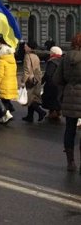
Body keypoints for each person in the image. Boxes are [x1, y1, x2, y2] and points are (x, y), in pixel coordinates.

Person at [53, 32, 81, 173]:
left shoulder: (65, 58)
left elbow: (57, 79)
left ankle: (70, 162)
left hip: (69, 97)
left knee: (70, 129)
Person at [0, 43, 19, 124]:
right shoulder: (12, 61)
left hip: (3, 84)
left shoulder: (1, 61)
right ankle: (4, 117)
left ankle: (7, 114)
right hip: (11, 83)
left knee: (1, 100)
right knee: (6, 100)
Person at [22, 41, 45, 122]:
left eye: (26, 46)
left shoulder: (27, 56)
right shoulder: (35, 56)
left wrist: (23, 81)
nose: (24, 47)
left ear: (29, 47)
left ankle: (41, 112)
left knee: (30, 99)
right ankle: (30, 116)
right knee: (33, 98)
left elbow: (27, 70)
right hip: (36, 79)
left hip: (30, 80)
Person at [42, 46, 63, 121]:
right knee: (57, 99)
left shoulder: (52, 61)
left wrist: (42, 81)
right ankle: (58, 112)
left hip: (51, 85)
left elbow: (48, 74)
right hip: (60, 84)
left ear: (53, 53)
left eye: (51, 52)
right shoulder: (62, 60)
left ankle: (52, 113)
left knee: (51, 99)